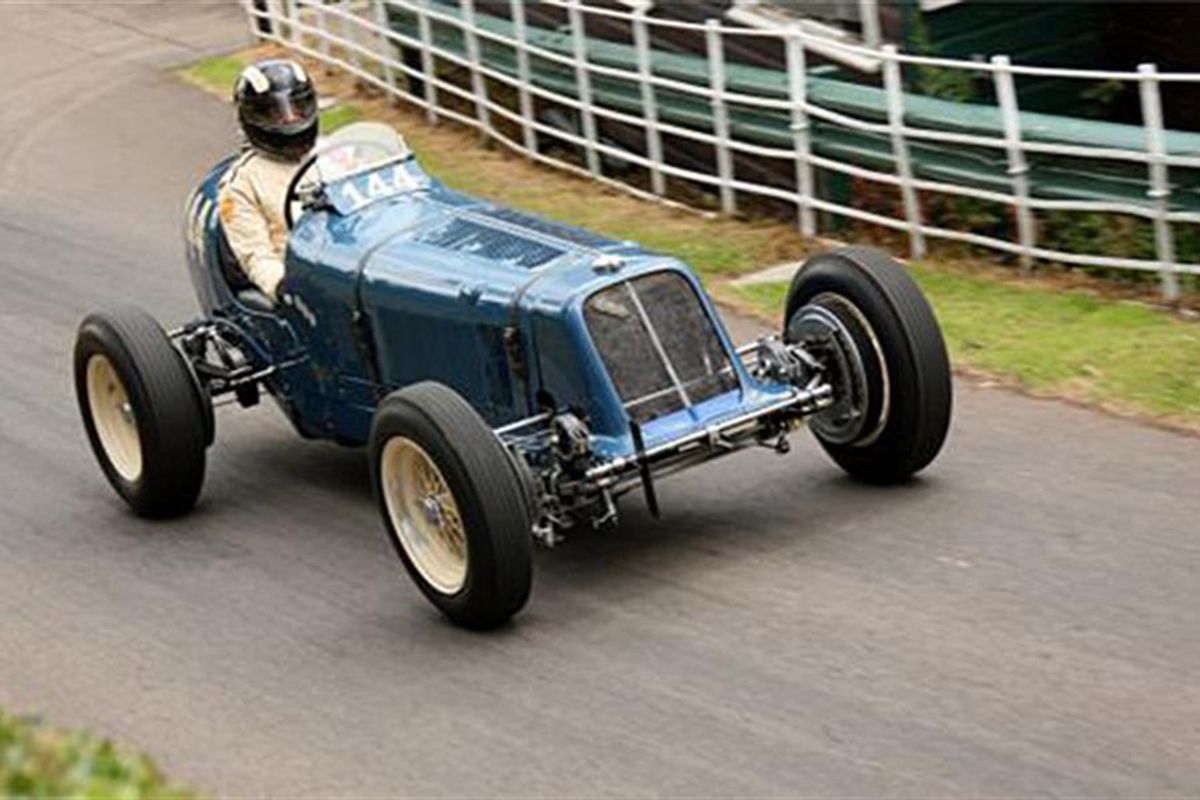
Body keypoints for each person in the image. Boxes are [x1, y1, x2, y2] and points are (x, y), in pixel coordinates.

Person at [218, 59, 318, 301]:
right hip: (303, 286)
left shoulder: (338, 155)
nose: (290, 119)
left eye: (297, 108)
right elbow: (256, 255)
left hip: (349, 261)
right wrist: (285, 289)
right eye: (276, 113)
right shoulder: (241, 184)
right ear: (252, 117)